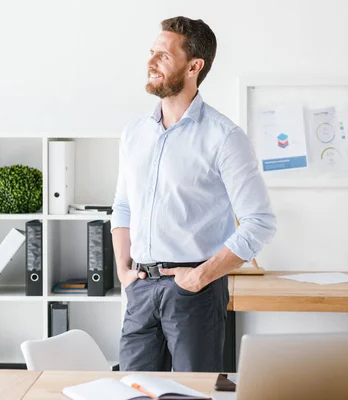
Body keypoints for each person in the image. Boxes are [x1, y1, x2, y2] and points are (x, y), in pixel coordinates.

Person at [111, 16, 276, 372]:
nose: (151, 62)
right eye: (151, 52)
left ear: (193, 66)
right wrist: (123, 270)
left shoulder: (224, 137)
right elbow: (124, 205)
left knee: (192, 394)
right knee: (131, 393)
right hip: (139, 288)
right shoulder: (134, 132)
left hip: (193, 293)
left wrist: (199, 277)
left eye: (164, 56)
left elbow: (259, 223)